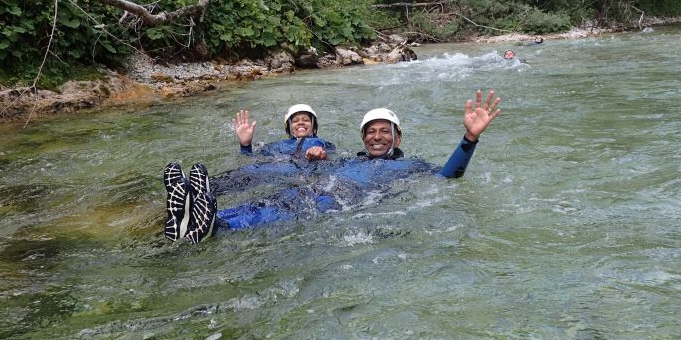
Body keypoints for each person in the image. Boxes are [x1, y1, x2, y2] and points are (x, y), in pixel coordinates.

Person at [164, 90, 501, 243]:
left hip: (344, 200)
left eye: (385, 132)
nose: (378, 137)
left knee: (280, 214)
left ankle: (211, 227)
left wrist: (469, 139)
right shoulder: (348, 158)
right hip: (315, 189)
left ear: (397, 139)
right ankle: (202, 217)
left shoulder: (412, 166)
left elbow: (448, 177)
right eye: (371, 132)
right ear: (364, 139)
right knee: (272, 203)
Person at [234, 105, 334, 161]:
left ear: (314, 125)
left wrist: (321, 156)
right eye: (295, 121)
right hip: (287, 174)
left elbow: (332, 158)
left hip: (315, 175)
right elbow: (251, 158)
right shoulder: (279, 145)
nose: (300, 122)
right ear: (289, 127)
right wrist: (245, 145)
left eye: (306, 120)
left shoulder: (322, 143)